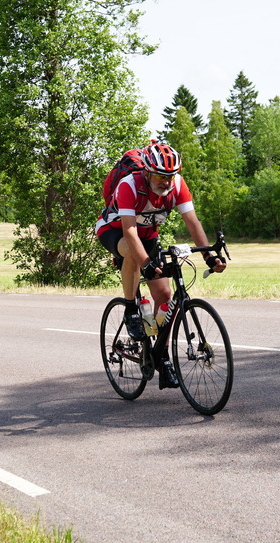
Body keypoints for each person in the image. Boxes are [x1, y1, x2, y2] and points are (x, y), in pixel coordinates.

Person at [95, 141, 227, 388]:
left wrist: (209, 256)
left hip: (148, 236)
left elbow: (192, 222)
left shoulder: (177, 185)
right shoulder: (129, 185)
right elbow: (129, 231)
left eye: (170, 176)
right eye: (160, 176)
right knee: (134, 256)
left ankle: (161, 355)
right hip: (115, 231)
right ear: (147, 171)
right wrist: (145, 262)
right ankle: (130, 309)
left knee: (166, 295)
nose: (166, 182)